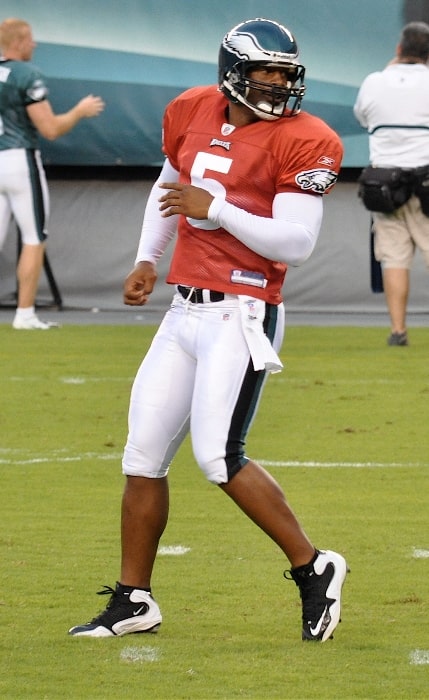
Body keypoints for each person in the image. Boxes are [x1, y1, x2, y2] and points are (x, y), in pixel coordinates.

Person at [69, 18, 348, 643]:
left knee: (218, 457)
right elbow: (168, 187)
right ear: (231, 73)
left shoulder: (309, 138)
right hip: (184, 308)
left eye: (284, 73)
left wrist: (217, 209)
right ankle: (134, 599)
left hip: (244, 311)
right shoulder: (191, 109)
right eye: (264, 73)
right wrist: (147, 258)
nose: (277, 84)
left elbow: (297, 243)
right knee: (142, 454)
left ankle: (313, 566)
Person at [0, 18, 104, 330]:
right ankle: (25, 314)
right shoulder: (25, 75)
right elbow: (50, 128)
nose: (34, 44)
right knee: (34, 237)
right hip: (19, 160)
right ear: (18, 42)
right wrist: (79, 111)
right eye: (30, 39)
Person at [354, 21, 429, 346]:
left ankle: (398, 331)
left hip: (385, 187)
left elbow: (363, 117)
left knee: (394, 258)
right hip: (426, 181)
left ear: (399, 50)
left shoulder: (375, 81)